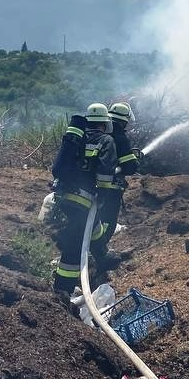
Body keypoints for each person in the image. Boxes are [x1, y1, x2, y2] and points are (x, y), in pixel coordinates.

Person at [49, 102, 118, 295]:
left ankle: (103, 257)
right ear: (104, 123)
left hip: (64, 195)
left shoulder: (78, 138)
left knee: (93, 227)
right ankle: (63, 289)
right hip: (84, 199)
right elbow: (105, 172)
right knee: (74, 245)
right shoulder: (106, 141)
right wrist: (103, 193)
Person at [92, 101, 139, 266]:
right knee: (106, 223)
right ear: (124, 120)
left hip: (90, 188)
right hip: (110, 190)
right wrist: (135, 159)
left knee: (92, 220)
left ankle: (92, 251)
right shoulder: (120, 138)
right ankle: (99, 253)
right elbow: (130, 167)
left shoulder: (98, 133)